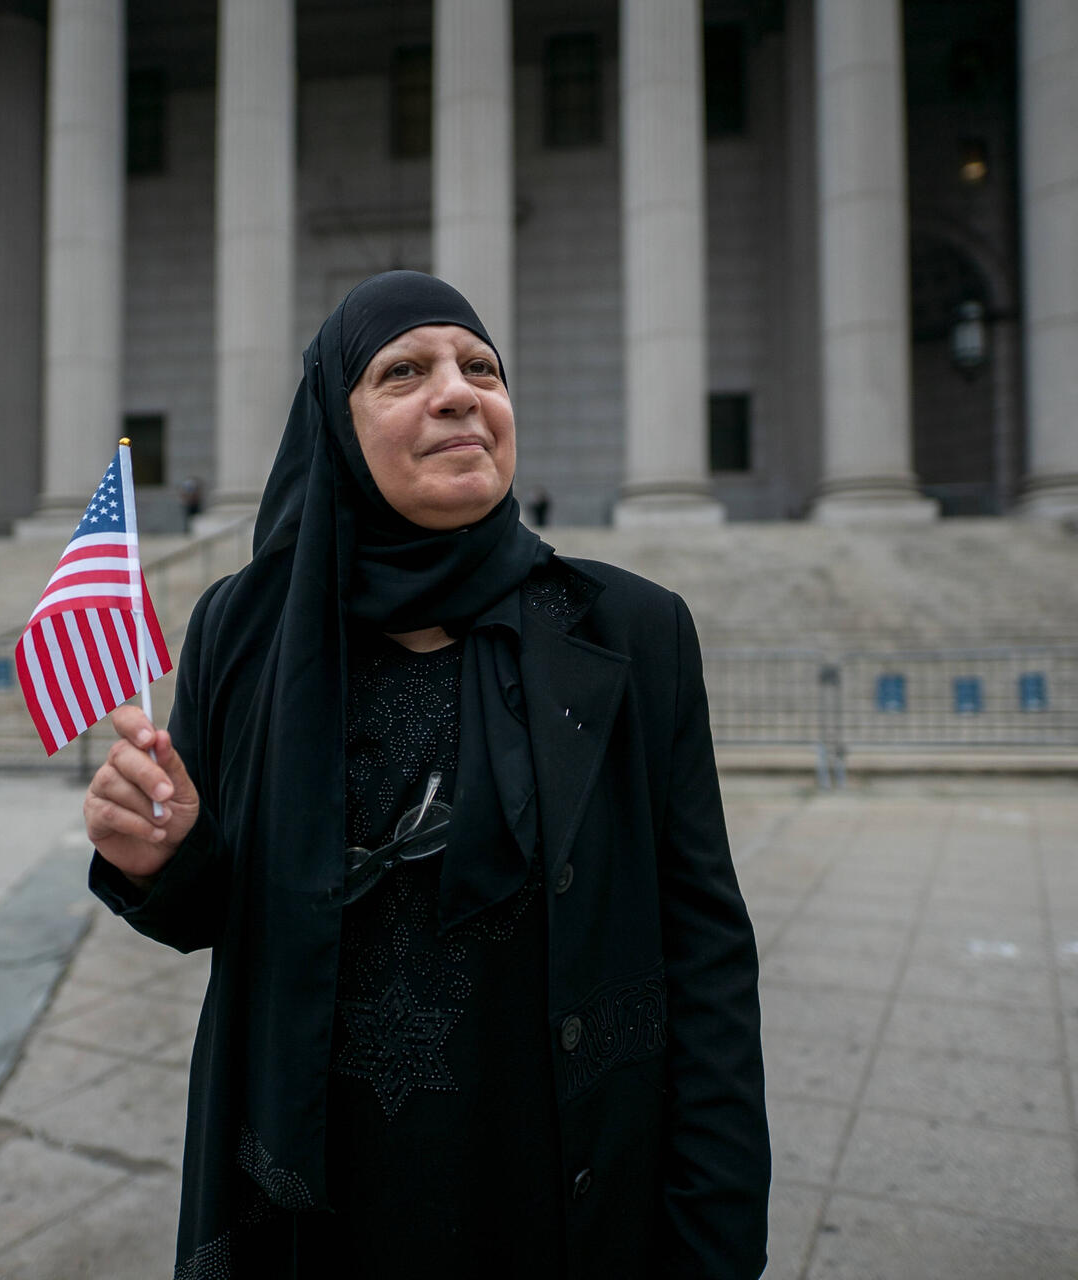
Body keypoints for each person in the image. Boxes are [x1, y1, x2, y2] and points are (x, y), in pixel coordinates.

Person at [84, 271, 769, 1279]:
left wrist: (714, 1231)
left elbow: (705, 948)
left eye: (479, 366)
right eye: (403, 370)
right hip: (317, 1196)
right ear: (335, 426)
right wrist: (166, 855)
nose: (458, 391)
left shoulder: (628, 629)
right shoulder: (246, 628)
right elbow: (223, 914)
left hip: (558, 1186)